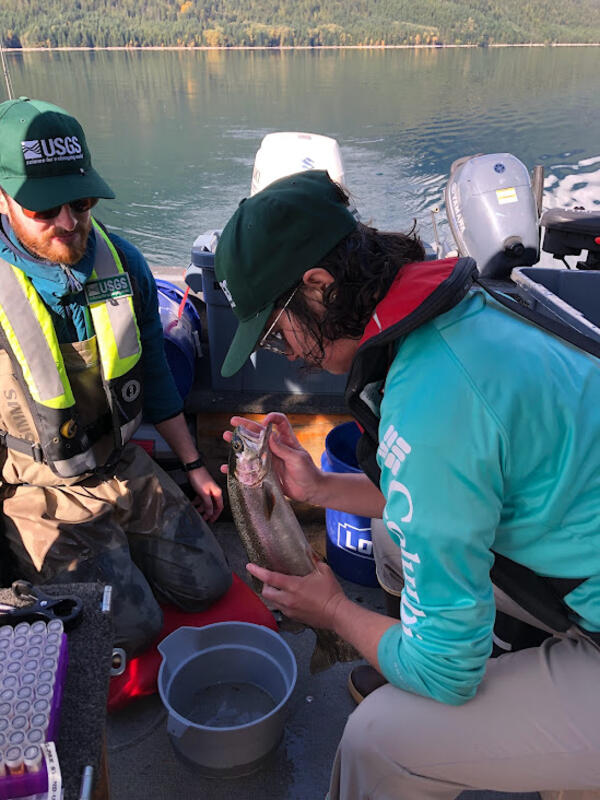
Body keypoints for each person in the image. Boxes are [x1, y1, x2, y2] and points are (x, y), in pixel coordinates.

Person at [216, 169, 600, 799]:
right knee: (390, 539)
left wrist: (335, 611)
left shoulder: (432, 398)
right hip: (579, 564)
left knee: (380, 742)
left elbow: (449, 672)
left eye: (274, 330)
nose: (282, 353)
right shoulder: (467, 307)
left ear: (318, 287)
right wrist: (318, 488)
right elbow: (453, 489)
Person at [0, 97, 231, 657]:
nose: (67, 222)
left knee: (211, 584)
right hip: (40, 490)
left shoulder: (124, 263)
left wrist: (195, 465)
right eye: (43, 208)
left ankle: (117, 553)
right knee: (131, 630)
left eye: (80, 202)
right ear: (3, 198)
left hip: (122, 464)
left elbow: (152, 370)